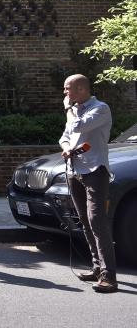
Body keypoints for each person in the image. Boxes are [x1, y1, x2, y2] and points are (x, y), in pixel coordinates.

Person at [59, 74, 117, 293]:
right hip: (74, 170)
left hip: (95, 171)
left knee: (97, 221)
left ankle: (109, 276)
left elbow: (78, 127)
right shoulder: (76, 110)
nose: (65, 93)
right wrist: (65, 147)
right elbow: (66, 135)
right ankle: (96, 267)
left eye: (67, 89)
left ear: (81, 89)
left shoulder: (101, 109)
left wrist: (68, 109)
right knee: (84, 220)